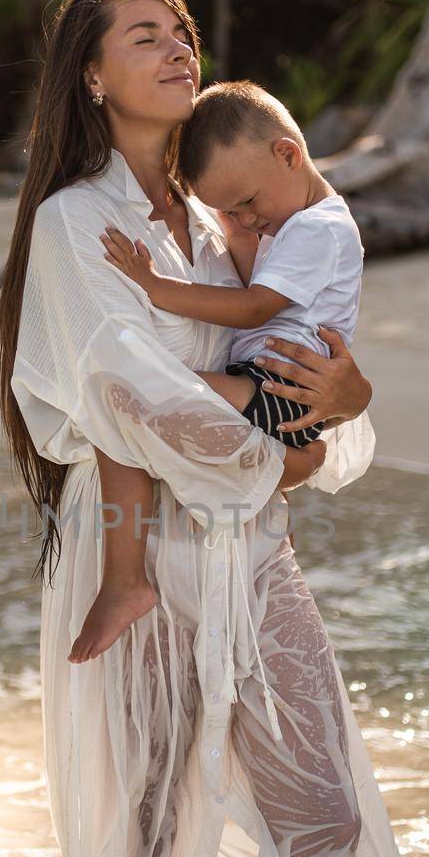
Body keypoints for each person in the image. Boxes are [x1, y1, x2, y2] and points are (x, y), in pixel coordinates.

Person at [0, 0, 428, 857]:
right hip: (130, 550)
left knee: (323, 805)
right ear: (92, 76)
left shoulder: (228, 223)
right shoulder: (73, 225)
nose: (177, 48)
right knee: (144, 829)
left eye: (182, 32)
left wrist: (349, 404)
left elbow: (308, 367)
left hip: (252, 547)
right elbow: (129, 397)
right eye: (144, 37)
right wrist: (288, 454)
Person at [69, 78, 367, 664]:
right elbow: (259, 277)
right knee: (138, 400)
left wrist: (156, 287)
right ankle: (279, 481)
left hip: (281, 387)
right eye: (231, 211)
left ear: (288, 154)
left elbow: (256, 305)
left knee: (141, 392)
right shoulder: (290, 223)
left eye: (248, 204)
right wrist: (237, 229)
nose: (246, 219)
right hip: (273, 387)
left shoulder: (318, 228)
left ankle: (127, 578)